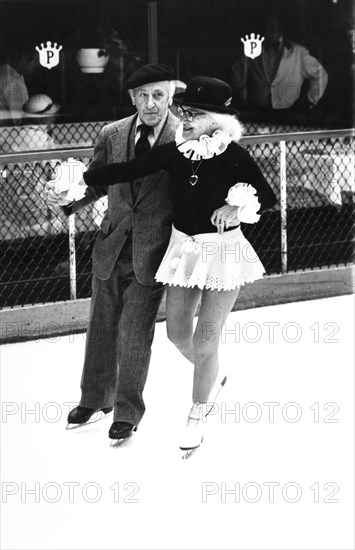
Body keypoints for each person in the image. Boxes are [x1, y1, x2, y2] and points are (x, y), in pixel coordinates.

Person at [77, 75, 277, 453]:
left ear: (216, 119)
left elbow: (265, 195)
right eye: (184, 111)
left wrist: (236, 207)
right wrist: (80, 179)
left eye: (194, 114)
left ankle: (197, 413)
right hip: (184, 252)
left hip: (223, 254)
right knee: (177, 334)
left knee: (206, 340)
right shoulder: (177, 151)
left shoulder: (236, 156)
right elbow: (128, 171)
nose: (183, 119)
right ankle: (211, 373)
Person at [46, 63, 180, 442]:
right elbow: (97, 181)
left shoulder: (184, 137)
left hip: (153, 251)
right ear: (132, 98)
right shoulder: (112, 133)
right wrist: (67, 202)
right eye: (143, 96)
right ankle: (94, 399)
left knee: (135, 333)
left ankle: (126, 411)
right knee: (101, 327)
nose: (151, 103)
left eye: (158, 95)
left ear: (169, 96)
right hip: (111, 244)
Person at [231, 14, 328, 118]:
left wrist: (311, 100)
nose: (268, 33)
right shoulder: (252, 48)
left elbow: (320, 75)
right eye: (265, 29)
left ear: (280, 29)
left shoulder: (299, 52)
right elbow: (238, 70)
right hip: (257, 107)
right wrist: (242, 94)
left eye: (272, 29)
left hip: (289, 109)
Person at [0, 43, 38, 121]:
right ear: (25, 58)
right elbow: (18, 121)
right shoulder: (14, 81)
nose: (37, 65)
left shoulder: (2, 72)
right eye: (36, 61)